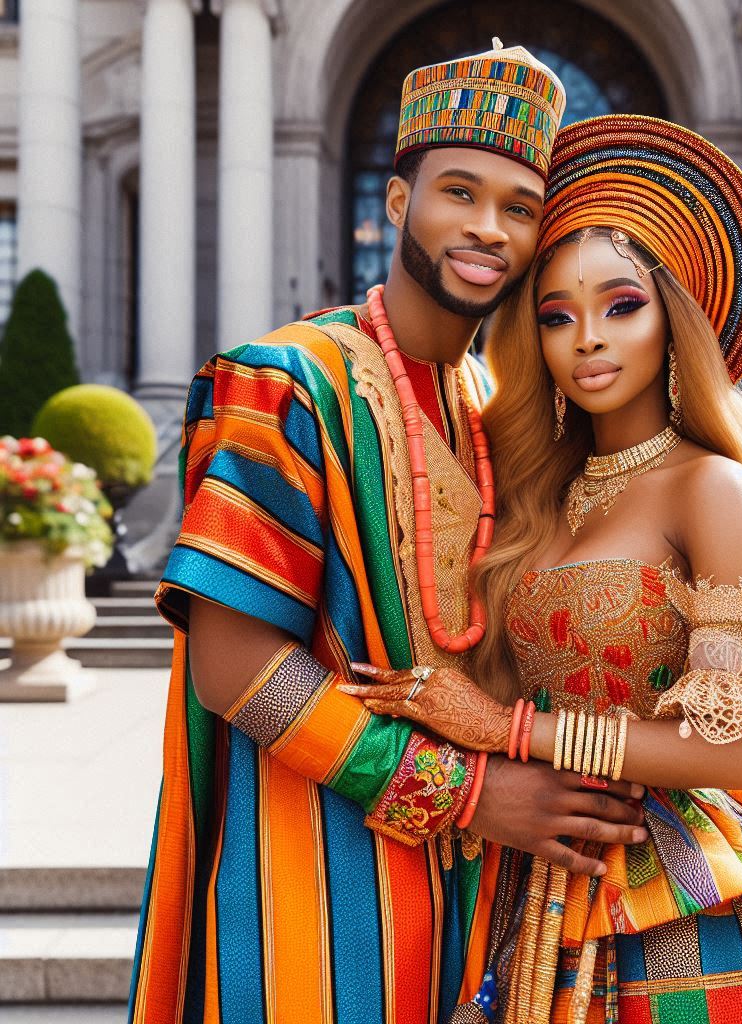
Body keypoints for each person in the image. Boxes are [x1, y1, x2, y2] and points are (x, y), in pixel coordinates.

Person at [127, 44, 649, 1024]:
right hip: (312, 893)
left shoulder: (495, 409)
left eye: (521, 207)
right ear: (399, 201)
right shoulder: (286, 380)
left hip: (481, 906)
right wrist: (462, 791)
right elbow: (233, 663)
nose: (489, 228)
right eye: (461, 191)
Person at [344, 115, 742, 1023]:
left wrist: (510, 732)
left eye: (620, 305)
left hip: (676, 895)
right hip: (528, 886)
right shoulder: (528, 494)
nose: (587, 338)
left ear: (673, 321)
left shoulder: (708, 486)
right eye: (557, 315)